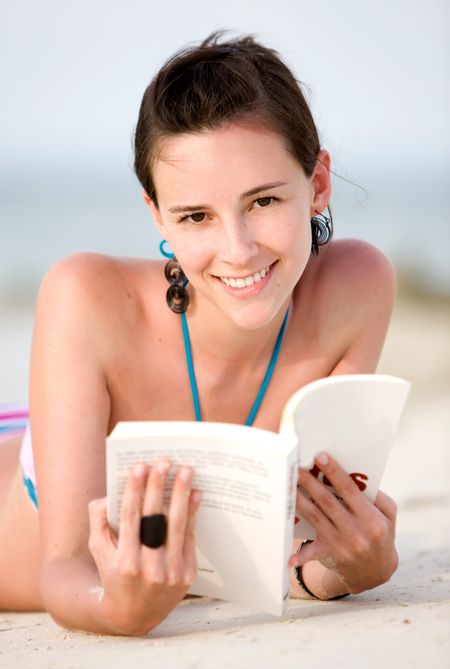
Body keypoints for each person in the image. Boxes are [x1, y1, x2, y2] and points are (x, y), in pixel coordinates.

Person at [0, 31, 398, 635]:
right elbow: (65, 568)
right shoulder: (84, 297)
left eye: (263, 201)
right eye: (195, 216)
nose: (238, 251)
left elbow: (294, 564)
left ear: (318, 183)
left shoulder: (357, 291)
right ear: (156, 212)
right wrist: (116, 609)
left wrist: (352, 568)